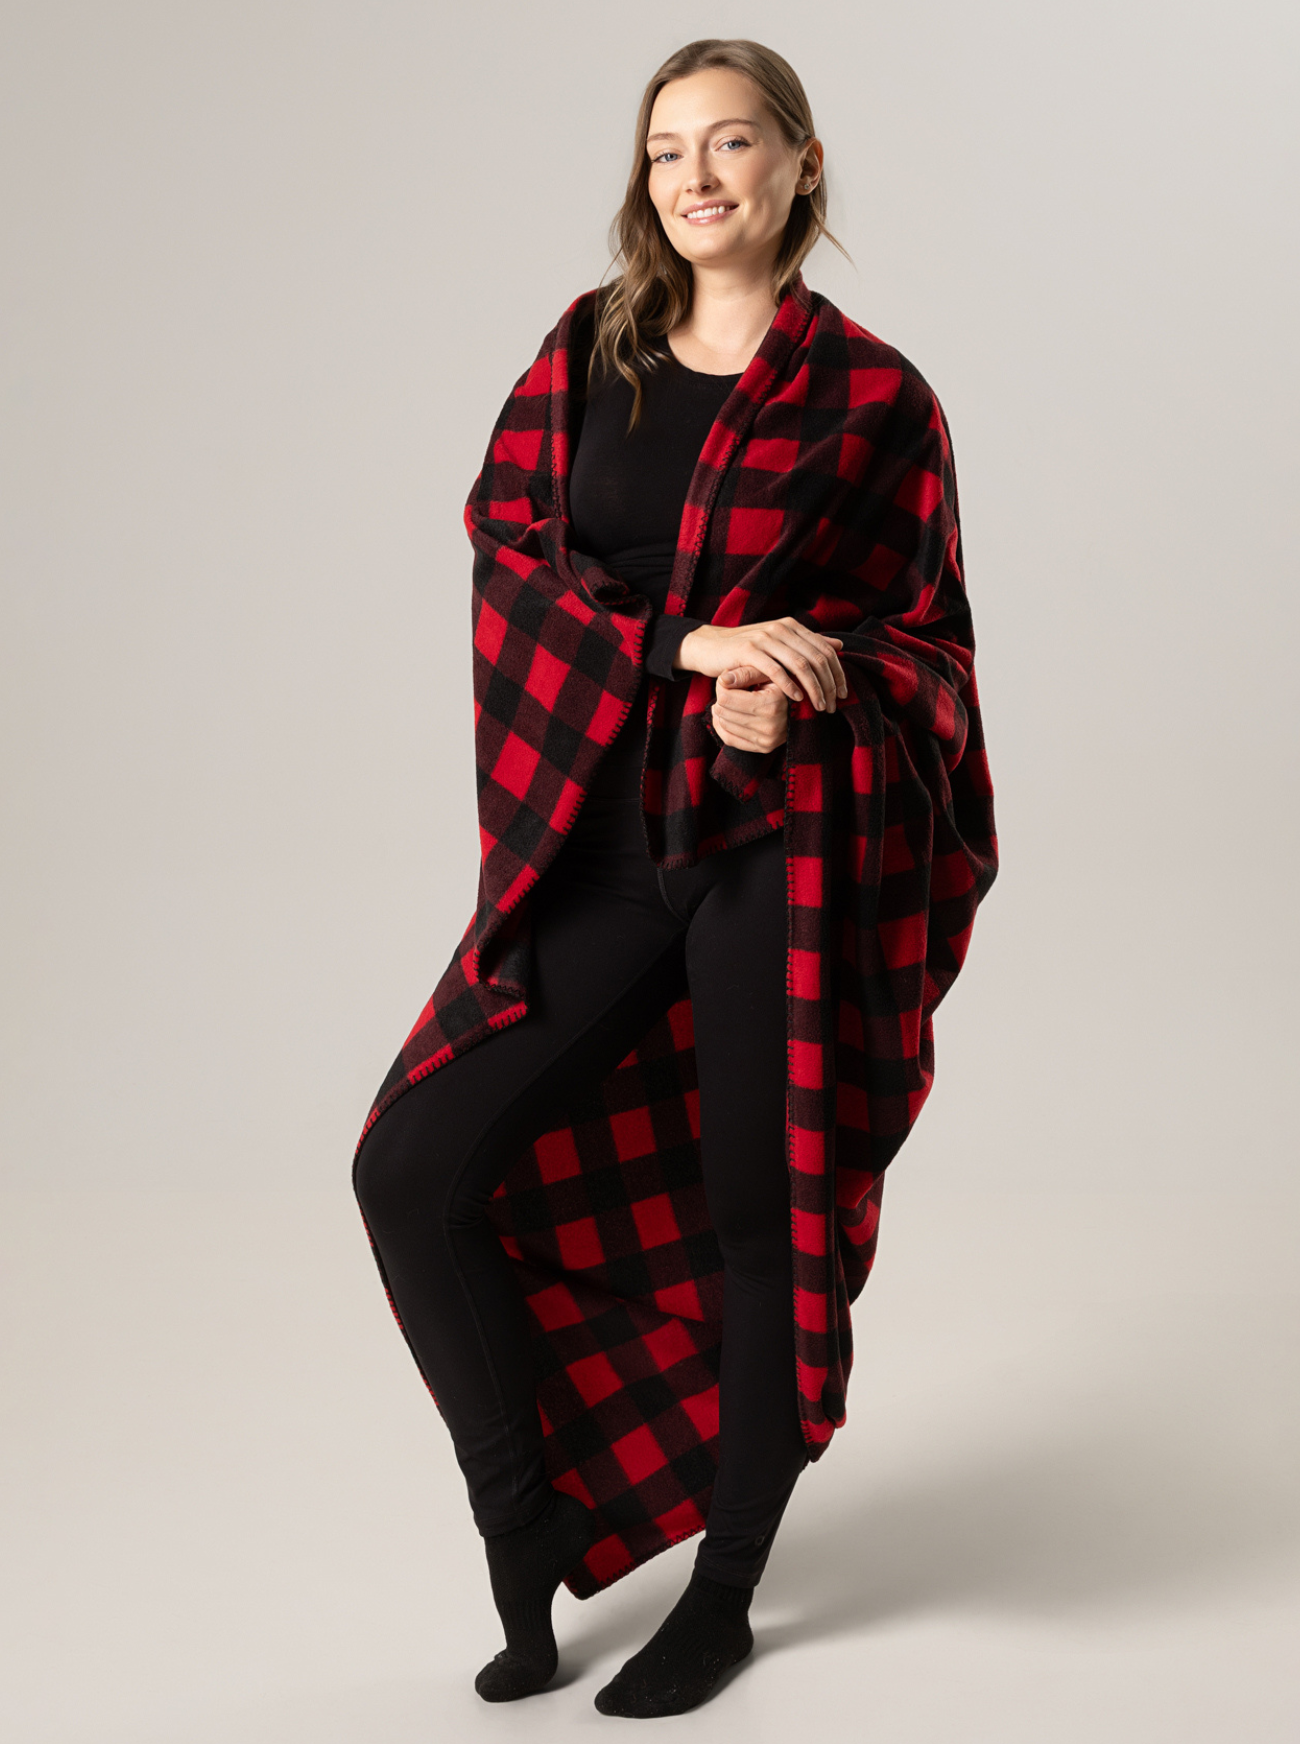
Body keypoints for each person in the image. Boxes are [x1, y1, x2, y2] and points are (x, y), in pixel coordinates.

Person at [352, 37, 997, 1720]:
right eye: (665, 153)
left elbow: (929, 651)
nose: (696, 176)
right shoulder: (587, 360)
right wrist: (691, 640)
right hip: (611, 832)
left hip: (785, 843)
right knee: (413, 1167)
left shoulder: (878, 400)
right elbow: (512, 558)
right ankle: (526, 1528)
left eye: (730, 144)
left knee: (759, 1208)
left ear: (804, 165)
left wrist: (819, 685)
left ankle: (723, 1593)